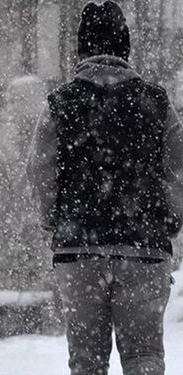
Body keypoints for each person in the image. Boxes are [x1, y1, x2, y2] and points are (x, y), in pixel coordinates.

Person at [27, 2, 183, 374]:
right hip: (143, 249)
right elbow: (179, 172)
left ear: (81, 50)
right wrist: (170, 220)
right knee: (143, 355)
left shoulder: (60, 104)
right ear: (124, 49)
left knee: (86, 362)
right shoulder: (156, 103)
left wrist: (55, 219)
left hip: (78, 249)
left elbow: (40, 171)